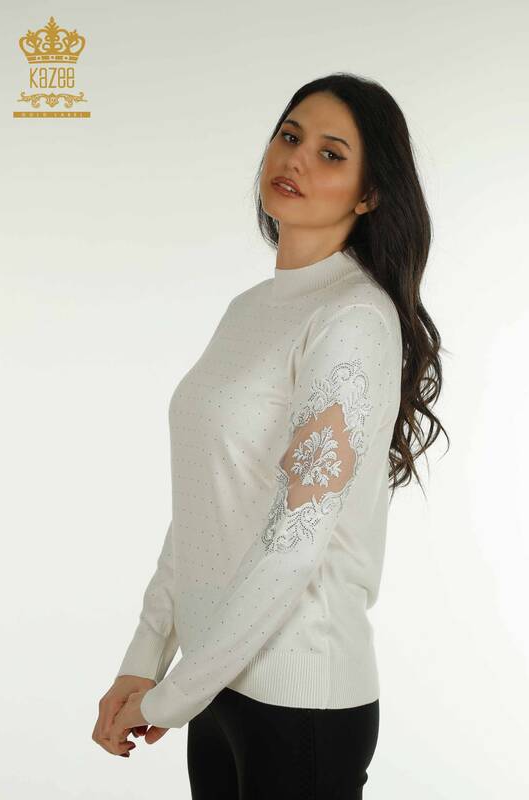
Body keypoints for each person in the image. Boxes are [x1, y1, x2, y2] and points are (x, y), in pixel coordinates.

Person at [92, 72, 449, 799]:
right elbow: (203, 506)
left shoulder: (352, 317)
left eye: (330, 154)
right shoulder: (248, 309)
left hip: (300, 700)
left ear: (368, 194)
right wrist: (145, 658)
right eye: (290, 136)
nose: (296, 159)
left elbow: (297, 538)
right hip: (217, 688)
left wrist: (171, 694)